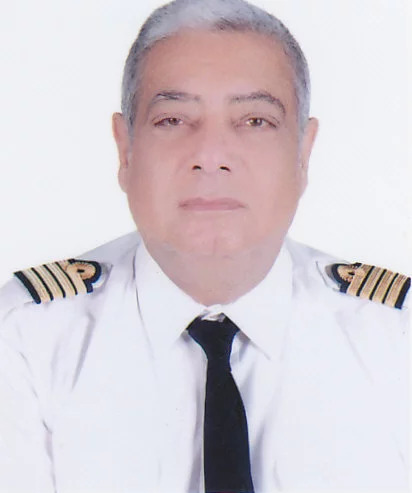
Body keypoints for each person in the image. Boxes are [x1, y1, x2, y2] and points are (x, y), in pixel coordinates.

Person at [0, 0, 409, 491]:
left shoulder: (396, 341)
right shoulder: (24, 340)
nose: (211, 156)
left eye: (255, 121)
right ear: (125, 150)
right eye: (173, 120)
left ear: (303, 153)